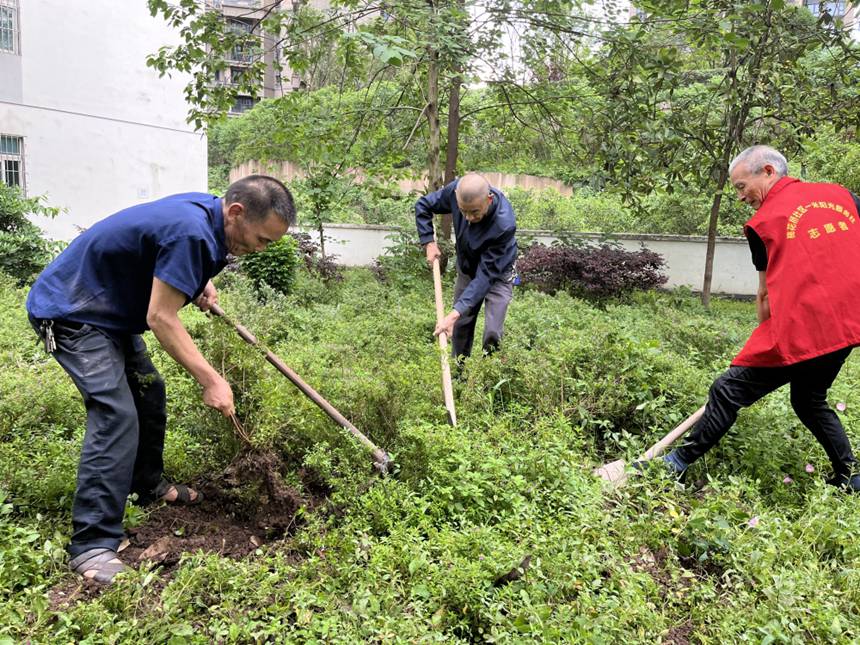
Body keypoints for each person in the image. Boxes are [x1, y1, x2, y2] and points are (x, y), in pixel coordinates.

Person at [26, 175, 296, 583]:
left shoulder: (210, 214)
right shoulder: (192, 231)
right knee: (116, 413)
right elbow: (161, 317)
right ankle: (92, 544)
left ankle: (146, 483)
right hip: (71, 312)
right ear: (237, 211)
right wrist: (211, 379)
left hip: (109, 311)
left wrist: (198, 280)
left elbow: (161, 248)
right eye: (261, 240)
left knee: (149, 394)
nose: (259, 250)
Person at [659, 145, 860, 492]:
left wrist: (767, 336)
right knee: (808, 399)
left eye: (741, 186)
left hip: (805, 329)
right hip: (850, 323)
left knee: (728, 388)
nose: (740, 197)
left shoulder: (763, 223)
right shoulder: (843, 197)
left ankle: (675, 463)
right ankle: (850, 475)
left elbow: (765, 295)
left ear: (767, 171)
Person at [416, 173, 518, 359]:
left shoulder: (504, 224)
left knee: (492, 333)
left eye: (475, 212)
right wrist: (428, 242)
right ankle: (459, 375)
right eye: (463, 211)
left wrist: (454, 313)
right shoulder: (457, 191)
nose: (469, 218)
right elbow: (423, 205)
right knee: (461, 328)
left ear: (489, 199)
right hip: (467, 268)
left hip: (497, 274)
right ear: (456, 196)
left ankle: (487, 376)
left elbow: (485, 277)